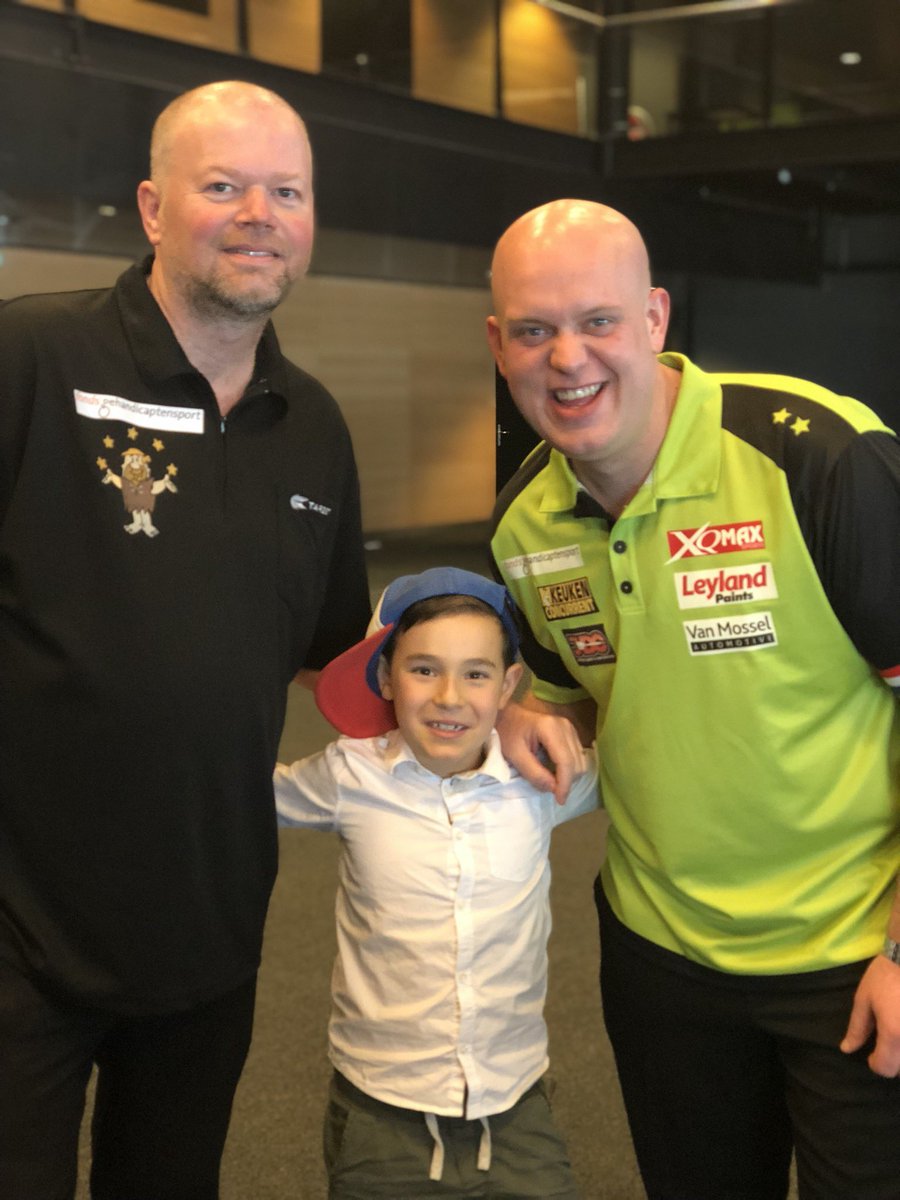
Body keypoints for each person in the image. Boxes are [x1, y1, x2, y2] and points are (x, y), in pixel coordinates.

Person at [0, 81, 370, 1200]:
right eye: (224, 186)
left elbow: (335, 649)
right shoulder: (29, 355)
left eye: (287, 191)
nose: (260, 214)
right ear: (154, 208)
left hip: (209, 934)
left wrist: (524, 691)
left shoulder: (314, 426)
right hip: (19, 933)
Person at [487, 198, 900, 1200]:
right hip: (662, 963)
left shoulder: (818, 457)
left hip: (856, 957)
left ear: (655, 318)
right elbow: (570, 691)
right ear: (498, 344)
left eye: (599, 320)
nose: (568, 358)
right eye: (534, 331)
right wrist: (530, 711)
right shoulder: (522, 521)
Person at [274, 566, 599, 1199]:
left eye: (476, 674)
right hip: (382, 1108)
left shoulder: (540, 778)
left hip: (514, 1103)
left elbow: (644, 765)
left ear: (508, 684)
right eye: (424, 669)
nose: (450, 696)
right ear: (386, 676)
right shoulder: (350, 775)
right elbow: (235, 791)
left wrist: (552, 721)